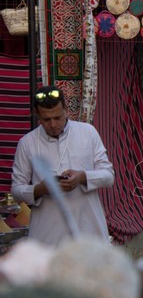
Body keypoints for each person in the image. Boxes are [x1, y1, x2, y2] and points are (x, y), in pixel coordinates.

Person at [11, 85, 115, 246]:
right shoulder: (27, 143)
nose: (53, 124)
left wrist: (82, 177)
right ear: (37, 115)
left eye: (58, 117)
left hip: (88, 229)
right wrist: (40, 189)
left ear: (66, 110)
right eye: (46, 119)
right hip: (47, 234)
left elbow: (109, 176)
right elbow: (17, 190)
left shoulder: (88, 132)